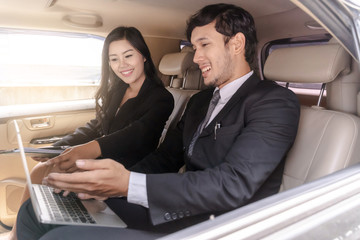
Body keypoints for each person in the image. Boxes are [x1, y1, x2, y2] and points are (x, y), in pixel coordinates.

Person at [15, 3, 300, 240]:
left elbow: (233, 184)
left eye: (204, 45)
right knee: (37, 213)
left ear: (236, 43)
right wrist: (103, 185)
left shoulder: (274, 102)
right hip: (174, 208)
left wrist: (128, 185)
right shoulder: (200, 101)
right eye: (193, 46)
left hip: (218, 226)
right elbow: (165, 158)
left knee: (60, 237)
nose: (196, 56)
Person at [7, 26, 174, 240]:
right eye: (114, 59)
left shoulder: (161, 98)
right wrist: (59, 146)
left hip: (125, 169)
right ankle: (16, 235)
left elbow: (136, 134)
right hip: (100, 160)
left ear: (143, 55)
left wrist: (87, 150)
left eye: (128, 55)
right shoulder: (118, 90)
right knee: (43, 168)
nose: (122, 65)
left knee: (49, 176)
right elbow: (96, 125)